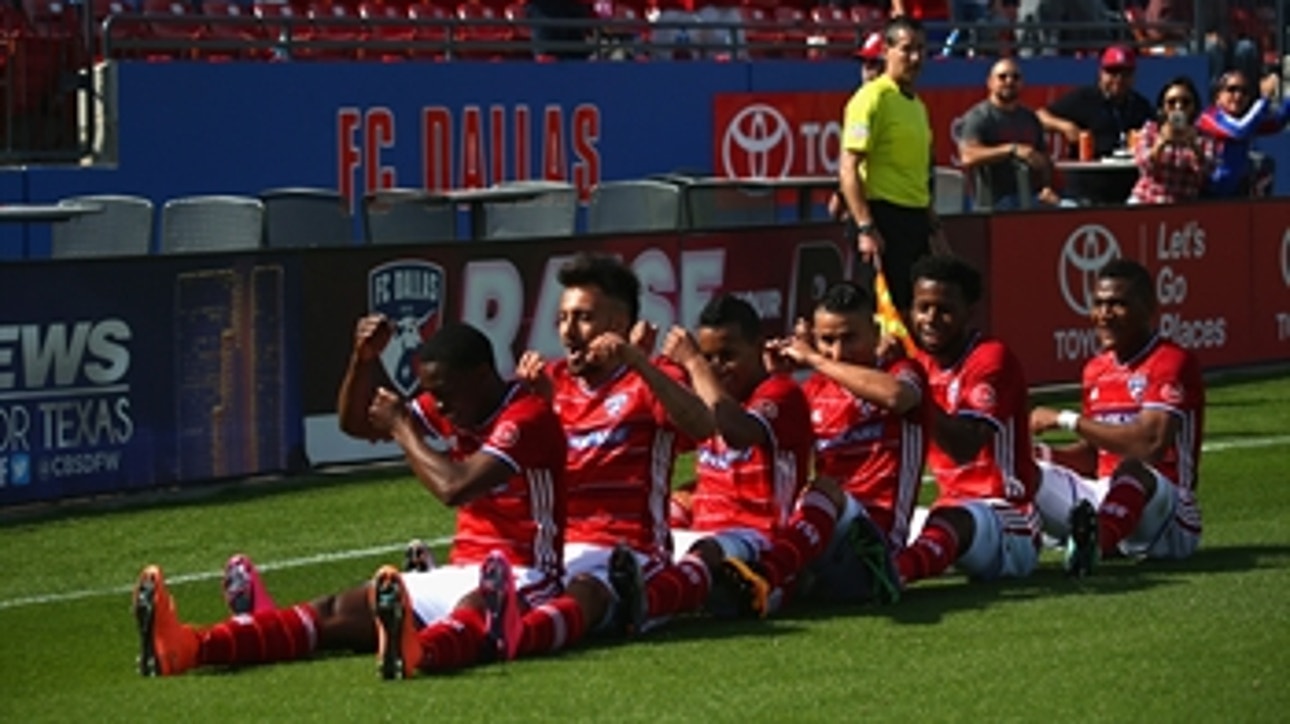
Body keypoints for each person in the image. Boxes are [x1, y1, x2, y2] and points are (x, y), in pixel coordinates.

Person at [131, 322, 569, 678]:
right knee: (330, 612)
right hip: (460, 570)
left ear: (481, 376)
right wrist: (363, 362)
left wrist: (402, 428)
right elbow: (357, 423)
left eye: (444, 391)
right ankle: (190, 646)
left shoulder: (526, 415)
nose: (437, 403)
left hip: (526, 573)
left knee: (475, 610)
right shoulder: (459, 403)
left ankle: (419, 653)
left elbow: (453, 488)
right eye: (430, 392)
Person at [492, 253, 719, 654]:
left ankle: (518, 638)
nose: (567, 331)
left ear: (616, 325)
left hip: (629, 551)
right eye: (562, 318)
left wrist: (637, 361)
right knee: (496, 582)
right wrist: (537, 411)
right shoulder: (550, 381)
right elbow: (511, 475)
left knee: (587, 592)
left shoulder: (654, 380)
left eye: (582, 317)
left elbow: (703, 427)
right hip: (556, 547)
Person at [634, 294, 817, 621]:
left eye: (728, 356)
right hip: (704, 530)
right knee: (656, 520)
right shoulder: (705, 397)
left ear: (758, 346)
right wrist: (640, 362)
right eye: (709, 356)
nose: (717, 367)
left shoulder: (780, 393)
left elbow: (736, 430)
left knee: (708, 551)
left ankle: (647, 603)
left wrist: (694, 364)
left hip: (758, 539)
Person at [756, 280, 931, 607]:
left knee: (824, 490)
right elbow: (776, 459)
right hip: (817, 529)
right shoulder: (813, 391)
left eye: (850, 338)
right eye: (827, 340)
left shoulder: (902, 371)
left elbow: (897, 397)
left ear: (875, 331)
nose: (838, 352)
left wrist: (815, 359)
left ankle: (770, 572)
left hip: (873, 535)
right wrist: (776, 382)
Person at [1030, 259, 1205, 577]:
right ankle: (1023, 542)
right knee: (1022, 471)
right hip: (1107, 497)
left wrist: (1065, 419)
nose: (1104, 315)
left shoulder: (1171, 362)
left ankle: (1096, 545)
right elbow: (1091, 457)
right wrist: (1044, 454)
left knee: (1132, 468)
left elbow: (1148, 446)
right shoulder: (1096, 369)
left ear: (1149, 307)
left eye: (1118, 304)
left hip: (1168, 517)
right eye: (1098, 304)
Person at [896, 255, 1041, 589]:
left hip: (1008, 515)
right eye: (923, 308)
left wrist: (915, 399)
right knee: (864, 517)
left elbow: (965, 446)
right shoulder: (916, 365)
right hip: (947, 510)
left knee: (950, 521)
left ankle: (896, 572)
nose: (931, 319)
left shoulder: (991, 359)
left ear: (969, 311)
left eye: (944, 309)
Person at [838, 15, 949, 315]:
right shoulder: (871, 99)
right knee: (885, 315)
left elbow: (918, 174)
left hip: (914, 222)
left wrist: (932, 224)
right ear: (886, 51)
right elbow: (849, 167)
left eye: (921, 50)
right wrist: (865, 227)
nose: (914, 58)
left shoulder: (917, 106)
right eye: (906, 49)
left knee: (921, 309)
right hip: (882, 220)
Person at [1038, 45, 1153, 204]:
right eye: (1112, 72)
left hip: (1127, 190)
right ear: (1101, 73)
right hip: (1087, 190)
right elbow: (1040, 116)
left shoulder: (1140, 105)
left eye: (1125, 73)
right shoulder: (1083, 98)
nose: (1118, 79)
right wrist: (1063, 126)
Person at [958, 57, 1065, 209]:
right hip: (995, 202)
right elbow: (968, 156)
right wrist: (1012, 150)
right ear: (990, 82)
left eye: (1015, 77)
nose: (1009, 81)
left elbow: (1044, 161)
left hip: (1033, 197)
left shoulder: (1029, 118)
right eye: (1002, 77)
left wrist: (1047, 188)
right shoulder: (979, 117)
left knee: (1072, 207)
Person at [1197, 70, 1290, 198]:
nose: (1238, 95)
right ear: (1218, 96)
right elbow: (1238, 131)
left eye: (1244, 91)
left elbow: (1277, 123)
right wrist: (1265, 98)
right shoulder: (1209, 116)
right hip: (1207, 194)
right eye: (1232, 89)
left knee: (1264, 164)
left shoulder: (1246, 120)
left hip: (1236, 194)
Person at [1127, 76, 1217, 204]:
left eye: (1185, 102)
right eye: (1171, 102)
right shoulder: (1151, 129)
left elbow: (1207, 173)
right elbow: (1144, 166)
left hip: (1183, 205)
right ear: (1163, 107)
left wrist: (1193, 145)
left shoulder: (1204, 136)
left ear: (1194, 106)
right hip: (1148, 200)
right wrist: (1161, 142)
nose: (1178, 107)